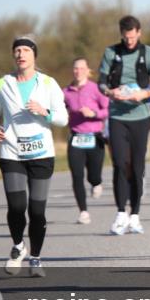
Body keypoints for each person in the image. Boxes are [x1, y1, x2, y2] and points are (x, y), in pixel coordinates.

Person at [0, 35, 68, 277]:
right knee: (16, 206)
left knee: (36, 211)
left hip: (42, 154)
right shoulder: (2, 84)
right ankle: (18, 246)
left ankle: (35, 257)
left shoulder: (48, 83)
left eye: (26, 50)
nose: (21, 54)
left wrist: (44, 111)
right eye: (17, 50)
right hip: (12, 152)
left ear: (34, 55)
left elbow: (63, 118)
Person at [98, 16, 150, 235]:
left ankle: (135, 215)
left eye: (132, 36)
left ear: (139, 32)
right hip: (117, 116)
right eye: (125, 37)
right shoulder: (111, 53)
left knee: (137, 168)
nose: (129, 41)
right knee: (119, 163)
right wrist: (110, 92)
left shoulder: (149, 53)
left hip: (140, 116)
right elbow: (100, 83)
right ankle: (120, 214)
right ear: (121, 34)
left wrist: (145, 93)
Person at [63, 57, 110, 225]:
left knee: (94, 175)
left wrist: (94, 114)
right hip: (75, 138)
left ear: (87, 70)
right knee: (77, 175)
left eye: (81, 68)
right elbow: (58, 110)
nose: (78, 71)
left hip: (94, 137)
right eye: (75, 68)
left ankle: (96, 183)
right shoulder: (66, 92)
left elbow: (108, 109)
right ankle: (83, 211)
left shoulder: (96, 88)